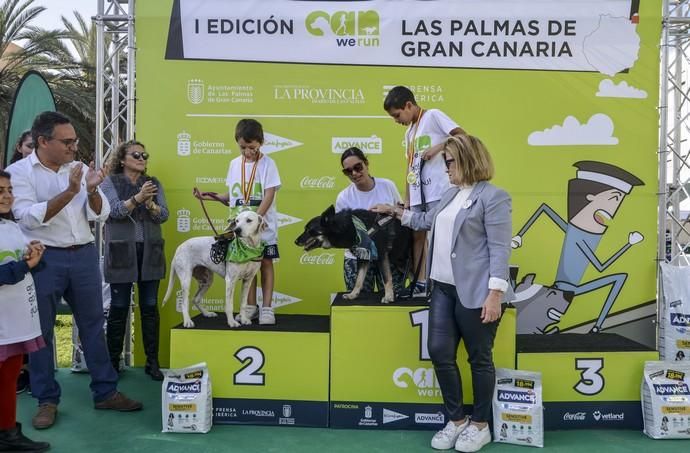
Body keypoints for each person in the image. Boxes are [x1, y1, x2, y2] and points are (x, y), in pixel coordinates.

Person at [372, 135, 512, 452]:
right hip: (442, 290)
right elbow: (424, 220)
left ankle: (479, 425)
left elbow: (500, 250)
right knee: (439, 352)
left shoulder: (494, 197)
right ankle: (457, 421)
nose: (445, 168)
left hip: (477, 292)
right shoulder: (449, 195)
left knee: (480, 358)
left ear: (467, 160)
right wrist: (395, 212)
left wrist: (495, 294)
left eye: (448, 161)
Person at [6, 111, 142, 430]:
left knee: (93, 325)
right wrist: (69, 191)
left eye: (75, 141)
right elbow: (27, 218)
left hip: (82, 255)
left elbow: (100, 216)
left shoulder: (78, 169)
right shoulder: (18, 173)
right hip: (42, 258)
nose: (73, 147)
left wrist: (93, 191)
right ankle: (46, 400)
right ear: (43, 141)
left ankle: (106, 392)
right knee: (41, 333)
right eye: (67, 141)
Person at [195, 119, 281, 325]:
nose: (247, 151)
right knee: (245, 264)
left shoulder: (268, 164)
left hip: (260, 228)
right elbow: (233, 197)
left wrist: (256, 221)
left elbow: (269, 194)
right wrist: (210, 197)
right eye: (243, 147)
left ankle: (267, 307)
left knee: (265, 263)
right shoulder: (234, 164)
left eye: (252, 147)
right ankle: (249, 306)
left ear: (261, 142)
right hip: (239, 229)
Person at [384, 86, 465, 296]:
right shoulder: (409, 131)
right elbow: (410, 167)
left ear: (409, 105)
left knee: (438, 235)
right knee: (417, 235)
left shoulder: (433, 116)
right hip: (418, 191)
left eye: (397, 115)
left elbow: (462, 136)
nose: (396, 120)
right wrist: (407, 197)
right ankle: (420, 281)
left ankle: (439, 282)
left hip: (438, 190)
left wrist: (439, 148)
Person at [100, 140, 169, 381]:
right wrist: (138, 198)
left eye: (144, 154)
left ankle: (152, 362)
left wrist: (151, 206)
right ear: (122, 159)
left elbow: (164, 215)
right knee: (119, 308)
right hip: (121, 252)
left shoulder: (153, 183)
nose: (142, 158)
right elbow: (113, 211)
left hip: (150, 252)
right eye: (136, 154)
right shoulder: (109, 182)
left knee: (149, 307)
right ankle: (112, 363)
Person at [0, 169, 50, 452]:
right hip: (3, 323)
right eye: (0, 191)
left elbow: (23, 267)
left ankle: (7, 433)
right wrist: (24, 266)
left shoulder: (11, 226)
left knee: (9, 378)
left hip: (16, 320)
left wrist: (34, 257)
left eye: (9, 190)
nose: (7, 196)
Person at [335, 146, 404, 294]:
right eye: (348, 171)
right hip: (356, 257)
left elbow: (402, 214)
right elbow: (342, 235)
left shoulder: (387, 186)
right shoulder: (344, 197)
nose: (354, 173)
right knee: (360, 305)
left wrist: (389, 211)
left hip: (388, 255)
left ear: (366, 164)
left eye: (358, 167)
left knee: (393, 301)